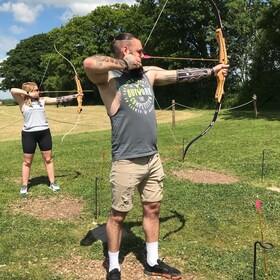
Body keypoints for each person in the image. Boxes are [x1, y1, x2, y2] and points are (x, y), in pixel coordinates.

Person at [83, 33, 229, 280]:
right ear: (126, 50)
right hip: (126, 160)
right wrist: (123, 64)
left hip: (152, 158)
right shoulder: (108, 79)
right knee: (118, 215)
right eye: (139, 51)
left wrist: (213, 71)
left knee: (153, 208)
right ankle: (114, 265)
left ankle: (152, 262)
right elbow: (89, 63)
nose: (143, 55)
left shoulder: (148, 73)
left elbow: (178, 74)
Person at [11, 82, 82, 195]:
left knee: (48, 159)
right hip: (29, 134)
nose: (38, 92)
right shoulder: (22, 102)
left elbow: (59, 99)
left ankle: (52, 183)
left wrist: (75, 96)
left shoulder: (42, 100)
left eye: (38, 90)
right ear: (29, 91)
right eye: (36, 90)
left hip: (44, 133)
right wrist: (28, 94)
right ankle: (24, 185)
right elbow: (13, 90)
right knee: (27, 161)